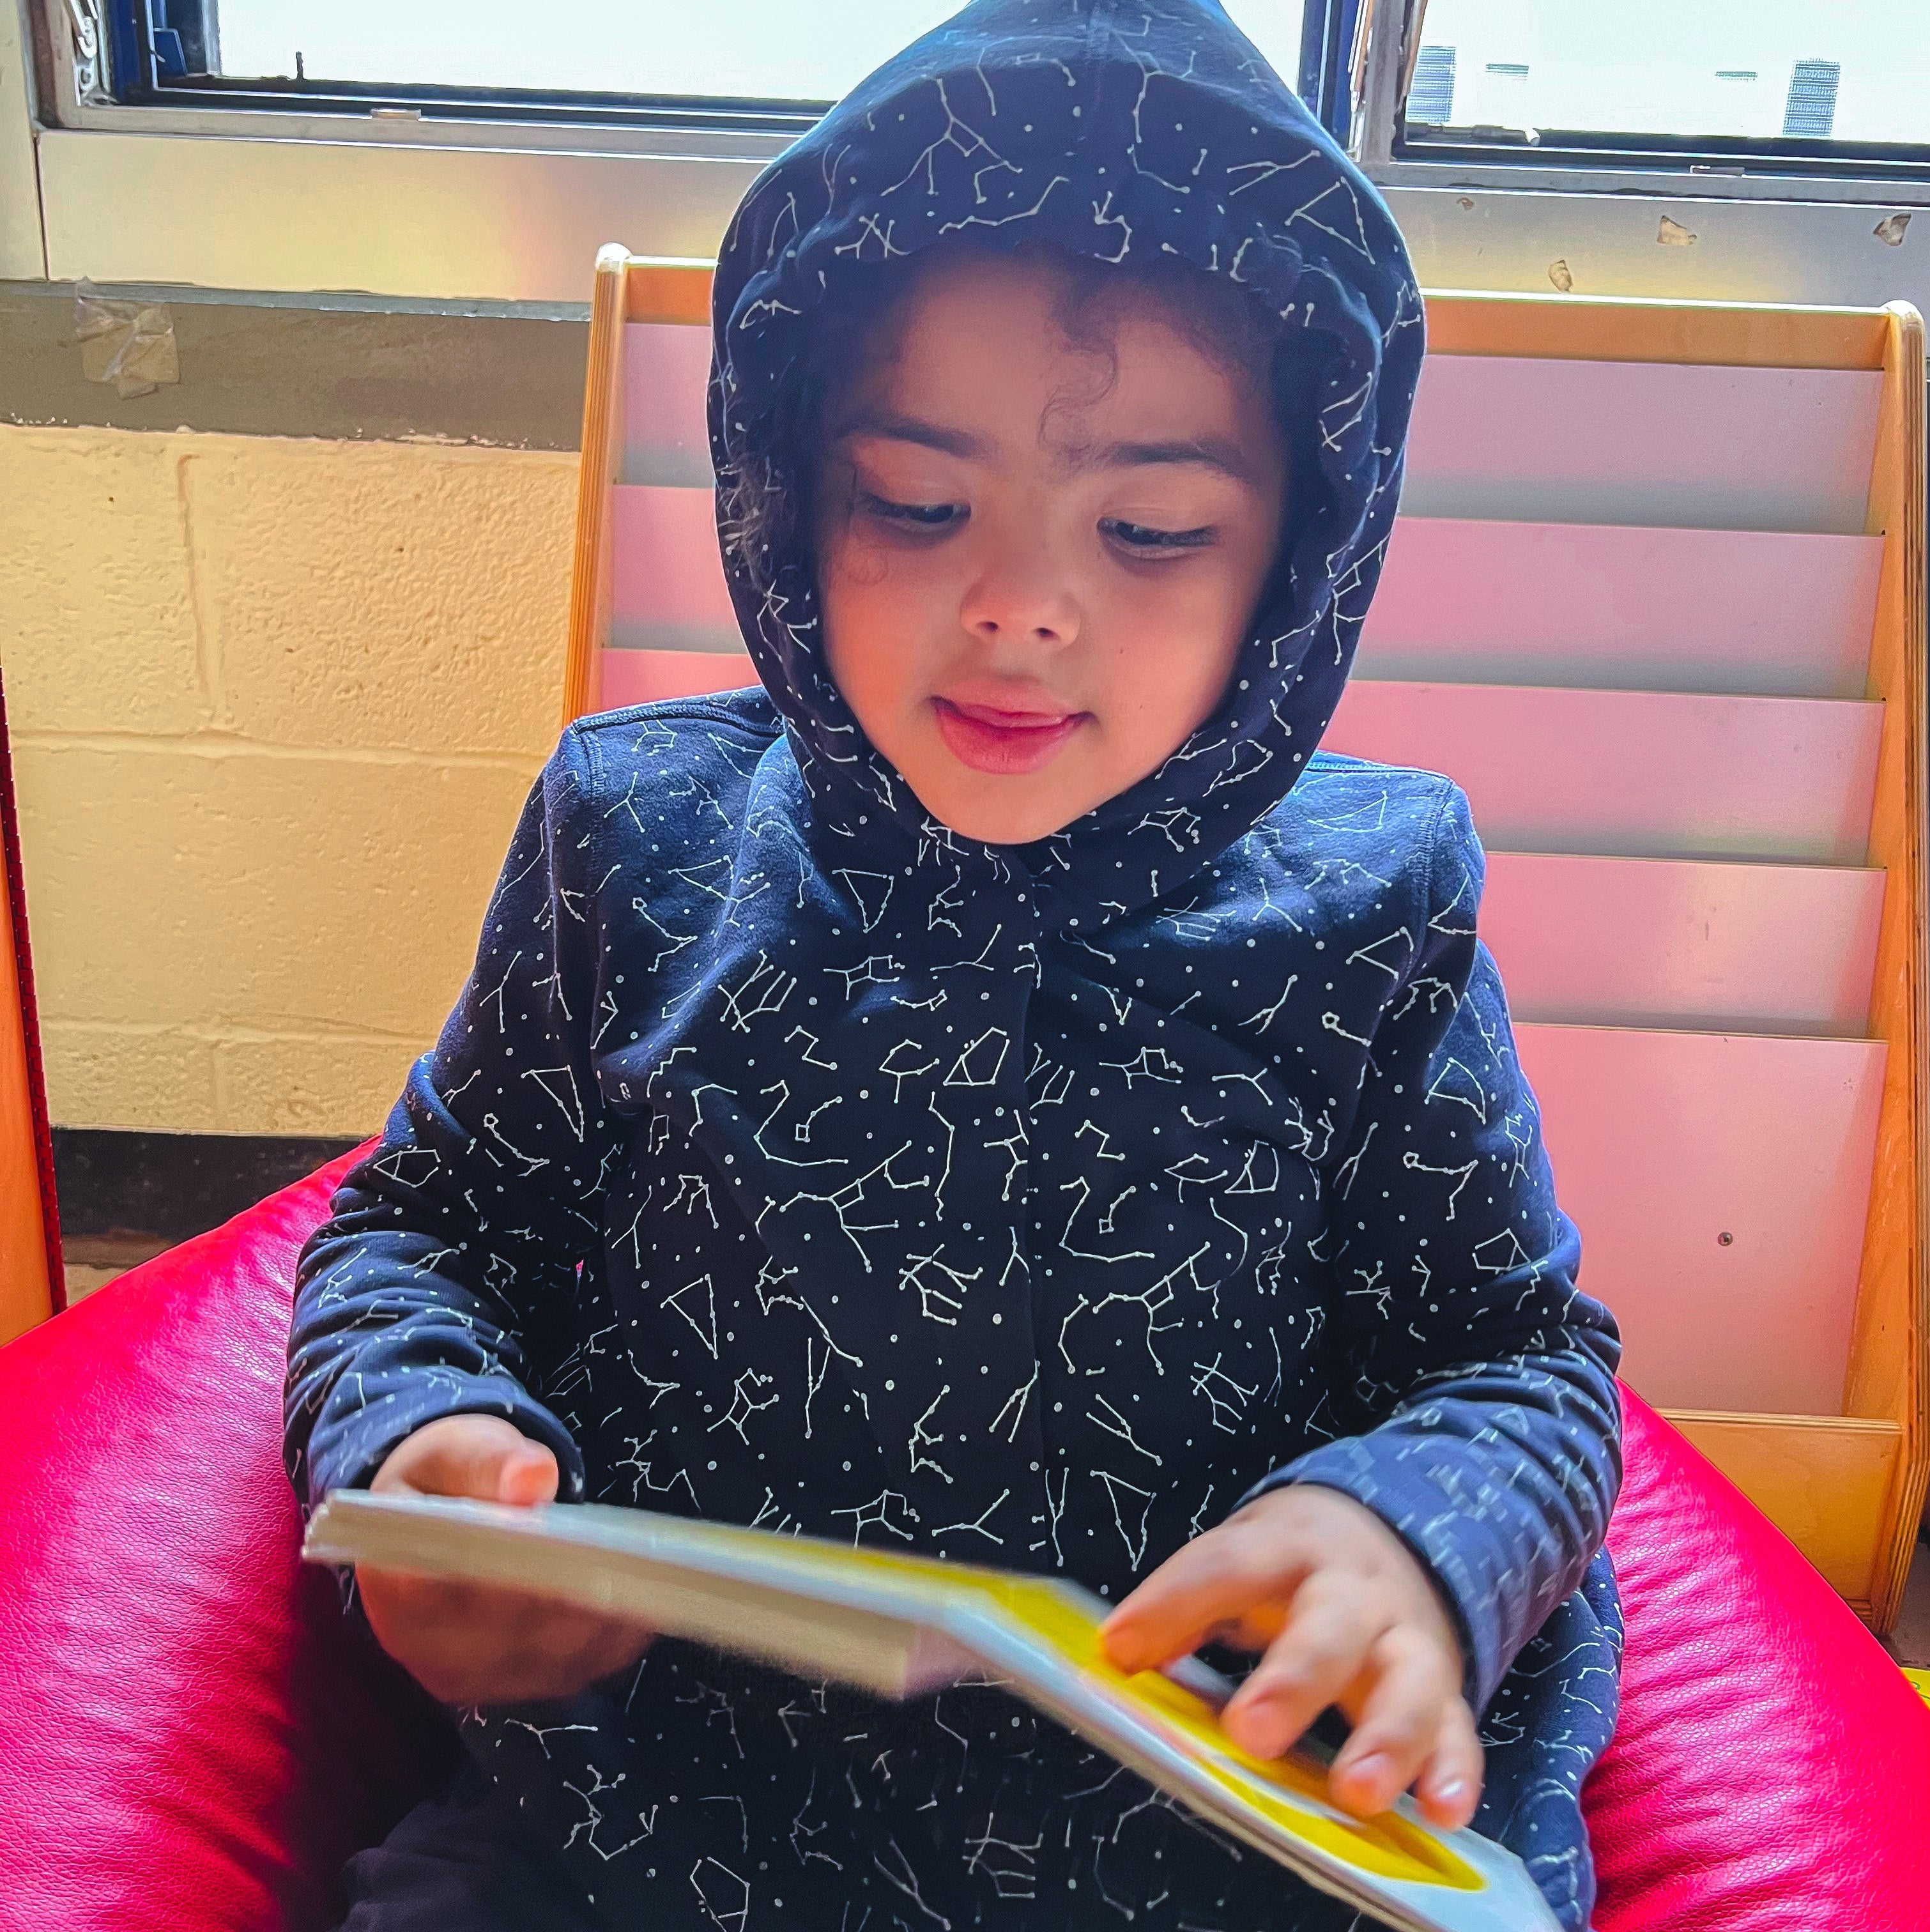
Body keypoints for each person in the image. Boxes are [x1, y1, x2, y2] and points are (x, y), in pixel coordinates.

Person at [284, 2, 1623, 1926]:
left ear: (1298, 557)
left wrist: (1403, 1539)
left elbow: (1522, 1357)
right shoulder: (635, 832)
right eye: (915, 504)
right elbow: (415, 1227)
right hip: (678, 1800)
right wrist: (426, 1437)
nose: (1019, 605)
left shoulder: (1382, 903)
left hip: (1205, 1824)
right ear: (787, 488)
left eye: (1153, 529)